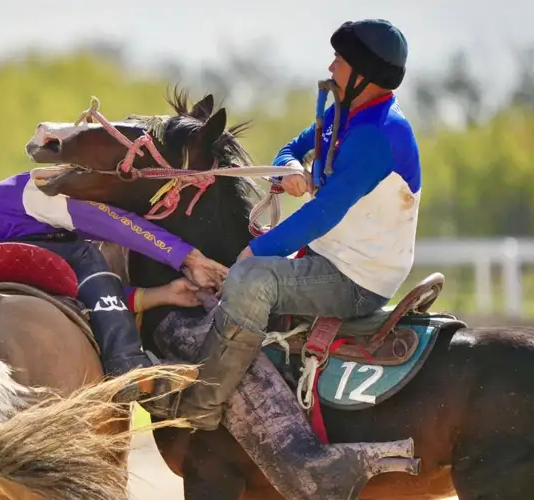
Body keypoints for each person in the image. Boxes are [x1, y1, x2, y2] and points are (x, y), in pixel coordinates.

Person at [176, 19, 419, 429]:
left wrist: (254, 253)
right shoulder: (346, 114)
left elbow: (321, 215)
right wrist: (288, 168)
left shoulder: (376, 136)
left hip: (355, 281)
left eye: (339, 61)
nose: (330, 67)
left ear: (365, 74)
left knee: (253, 279)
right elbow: (289, 149)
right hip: (329, 258)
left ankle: (205, 401)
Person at [0, 170, 228, 415]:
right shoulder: (42, 187)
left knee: (79, 269)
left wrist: (164, 294)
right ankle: (128, 367)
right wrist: (188, 257)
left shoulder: (20, 228)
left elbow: (85, 293)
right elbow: (112, 223)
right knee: (86, 256)